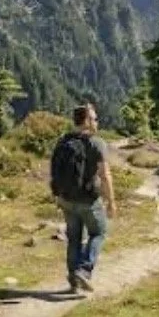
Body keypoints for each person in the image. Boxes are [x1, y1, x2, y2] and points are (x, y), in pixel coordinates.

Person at [50, 103, 116, 293]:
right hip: (88, 200)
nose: (97, 122)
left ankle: (73, 281)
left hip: (66, 198)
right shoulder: (96, 143)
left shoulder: (63, 141)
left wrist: (56, 195)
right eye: (94, 118)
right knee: (99, 232)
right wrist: (111, 201)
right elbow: (105, 175)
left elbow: (54, 171)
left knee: (74, 239)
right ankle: (84, 270)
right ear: (86, 121)